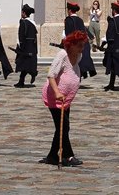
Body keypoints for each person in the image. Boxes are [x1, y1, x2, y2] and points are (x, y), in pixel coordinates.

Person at [39, 30, 87, 167]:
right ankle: (68, 156)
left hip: (66, 99)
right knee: (64, 127)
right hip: (55, 97)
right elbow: (51, 75)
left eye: (82, 45)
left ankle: (52, 156)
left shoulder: (78, 56)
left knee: (62, 127)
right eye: (79, 45)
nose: (81, 48)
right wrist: (57, 93)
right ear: (71, 45)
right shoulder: (62, 55)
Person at [65, 2, 97, 79]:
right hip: (83, 43)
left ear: (69, 10)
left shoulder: (68, 20)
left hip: (74, 44)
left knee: (74, 62)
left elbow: (68, 34)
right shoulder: (80, 20)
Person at [14, 4, 38, 88]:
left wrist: (20, 47)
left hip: (24, 47)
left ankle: (30, 75)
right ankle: (23, 80)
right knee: (26, 65)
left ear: (24, 13)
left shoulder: (23, 23)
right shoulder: (33, 23)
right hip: (31, 47)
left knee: (23, 64)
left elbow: (21, 36)